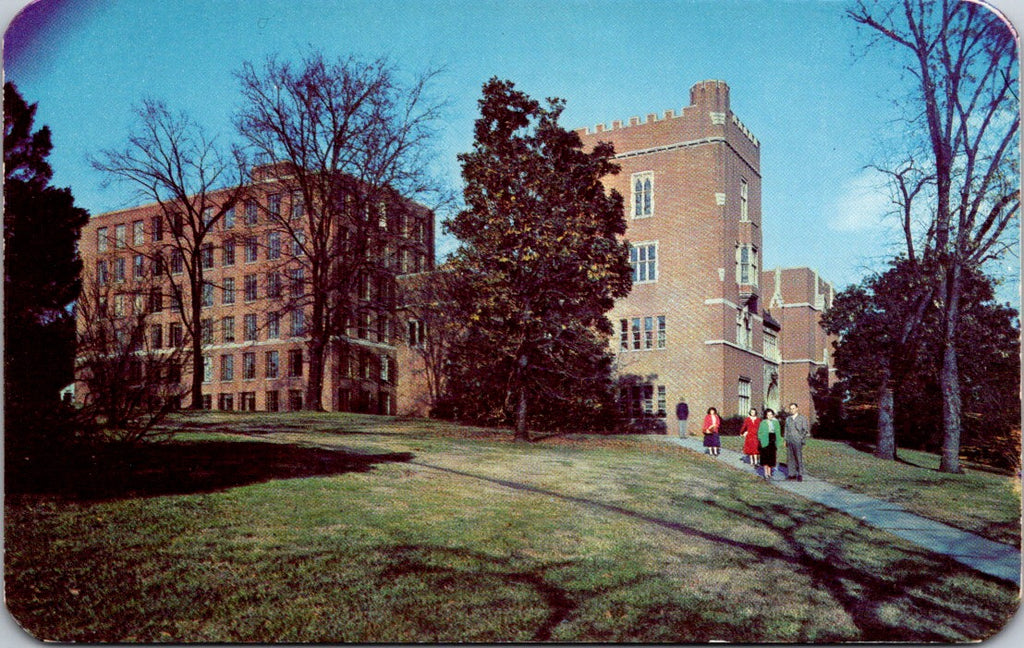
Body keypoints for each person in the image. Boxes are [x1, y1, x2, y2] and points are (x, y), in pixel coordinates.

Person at [784, 402, 810, 481]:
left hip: (798, 440)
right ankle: (792, 474)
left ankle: (800, 474)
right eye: (791, 409)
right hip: (790, 440)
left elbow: (805, 430)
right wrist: (785, 439)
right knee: (790, 458)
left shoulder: (802, 418)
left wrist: (800, 438)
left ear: (797, 408)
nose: (792, 410)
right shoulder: (788, 419)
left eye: (793, 408)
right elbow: (786, 430)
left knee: (798, 457)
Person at [757, 409, 780, 481]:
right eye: (768, 415)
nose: (770, 416)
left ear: (773, 415)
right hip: (765, 440)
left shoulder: (776, 422)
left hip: (772, 439)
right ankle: (765, 473)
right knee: (765, 456)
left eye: (771, 414)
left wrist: (778, 441)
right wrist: (761, 439)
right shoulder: (763, 422)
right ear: (766, 416)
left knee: (771, 456)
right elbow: (759, 432)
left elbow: (778, 432)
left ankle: (769, 473)